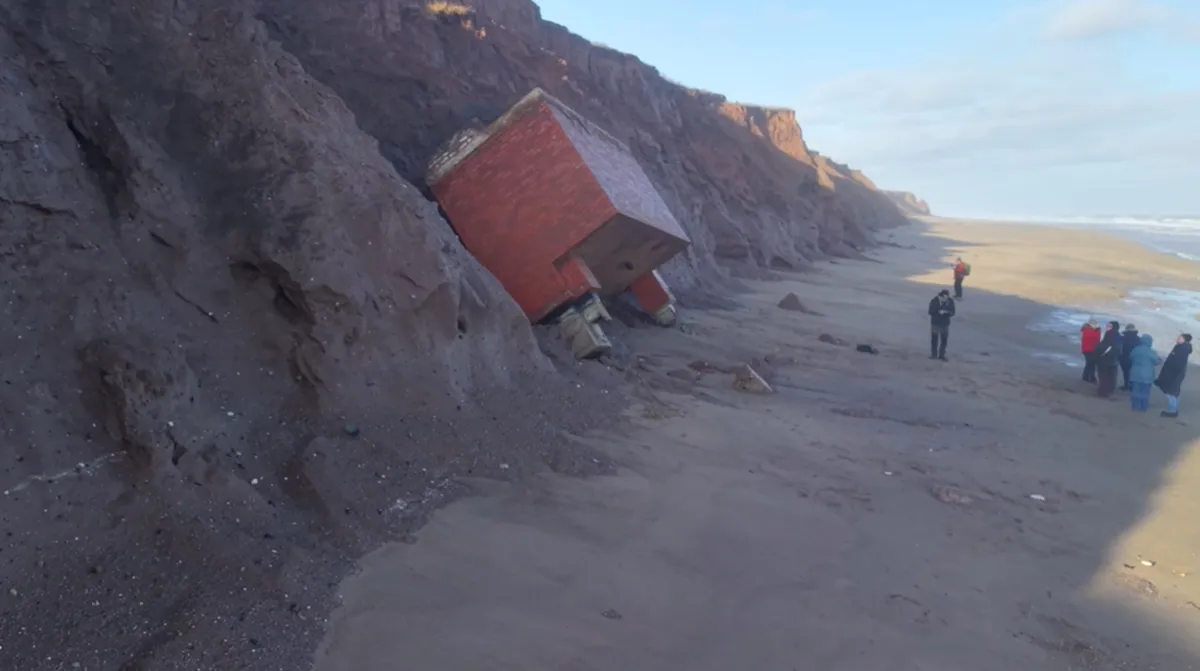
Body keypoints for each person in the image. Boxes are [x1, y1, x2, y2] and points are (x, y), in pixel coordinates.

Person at [1155, 333, 1193, 418]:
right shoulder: (1183, 347)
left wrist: (1170, 372)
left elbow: (1177, 363)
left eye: (1180, 338)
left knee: (1170, 392)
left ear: (1184, 340)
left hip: (1173, 374)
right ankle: (1173, 410)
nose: (1177, 339)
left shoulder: (1182, 348)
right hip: (1175, 374)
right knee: (1174, 392)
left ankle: (1172, 411)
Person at [1128, 334, 1160, 412]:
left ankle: (1135, 406)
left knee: (1135, 390)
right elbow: (1156, 361)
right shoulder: (1151, 352)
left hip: (1135, 373)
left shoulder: (1136, 349)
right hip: (1147, 375)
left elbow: (1131, 357)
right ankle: (1143, 407)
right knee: (1145, 392)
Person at [1094, 321, 1122, 397]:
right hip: (1113, 361)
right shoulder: (1118, 338)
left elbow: (1097, 351)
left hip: (1103, 362)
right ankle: (1110, 390)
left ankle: (1102, 392)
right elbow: (1119, 352)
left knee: (1103, 377)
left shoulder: (1103, 342)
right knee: (1112, 377)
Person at [928, 289, 955, 361]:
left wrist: (946, 312)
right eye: (944, 298)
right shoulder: (934, 301)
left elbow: (953, 312)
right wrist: (938, 312)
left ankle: (942, 355)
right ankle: (934, 354)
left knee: (944, 340)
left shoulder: (950, 301)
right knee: (934, 339)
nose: (946, 299)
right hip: (935, 323)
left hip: (945, 323)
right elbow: (930, 311)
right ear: (941, 296)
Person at [1119, 323, 1140, 390]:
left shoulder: (1123, 338)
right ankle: (1132, 385)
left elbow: (1119, 348)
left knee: (1126, 372)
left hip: (1124, 358)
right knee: (1133, 372)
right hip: (1134, 359)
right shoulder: (1138, 339)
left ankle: (1126, 385)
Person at [1080, 318, 1101, 383]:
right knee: (1091, 363)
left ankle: (1086, 377)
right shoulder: (1089, 331)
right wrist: (1098, 330)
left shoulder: (1086, 330)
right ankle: (1091, 377)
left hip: (1087, 349)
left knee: (1089, 363)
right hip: (1090, 349)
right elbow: (1096, 338)